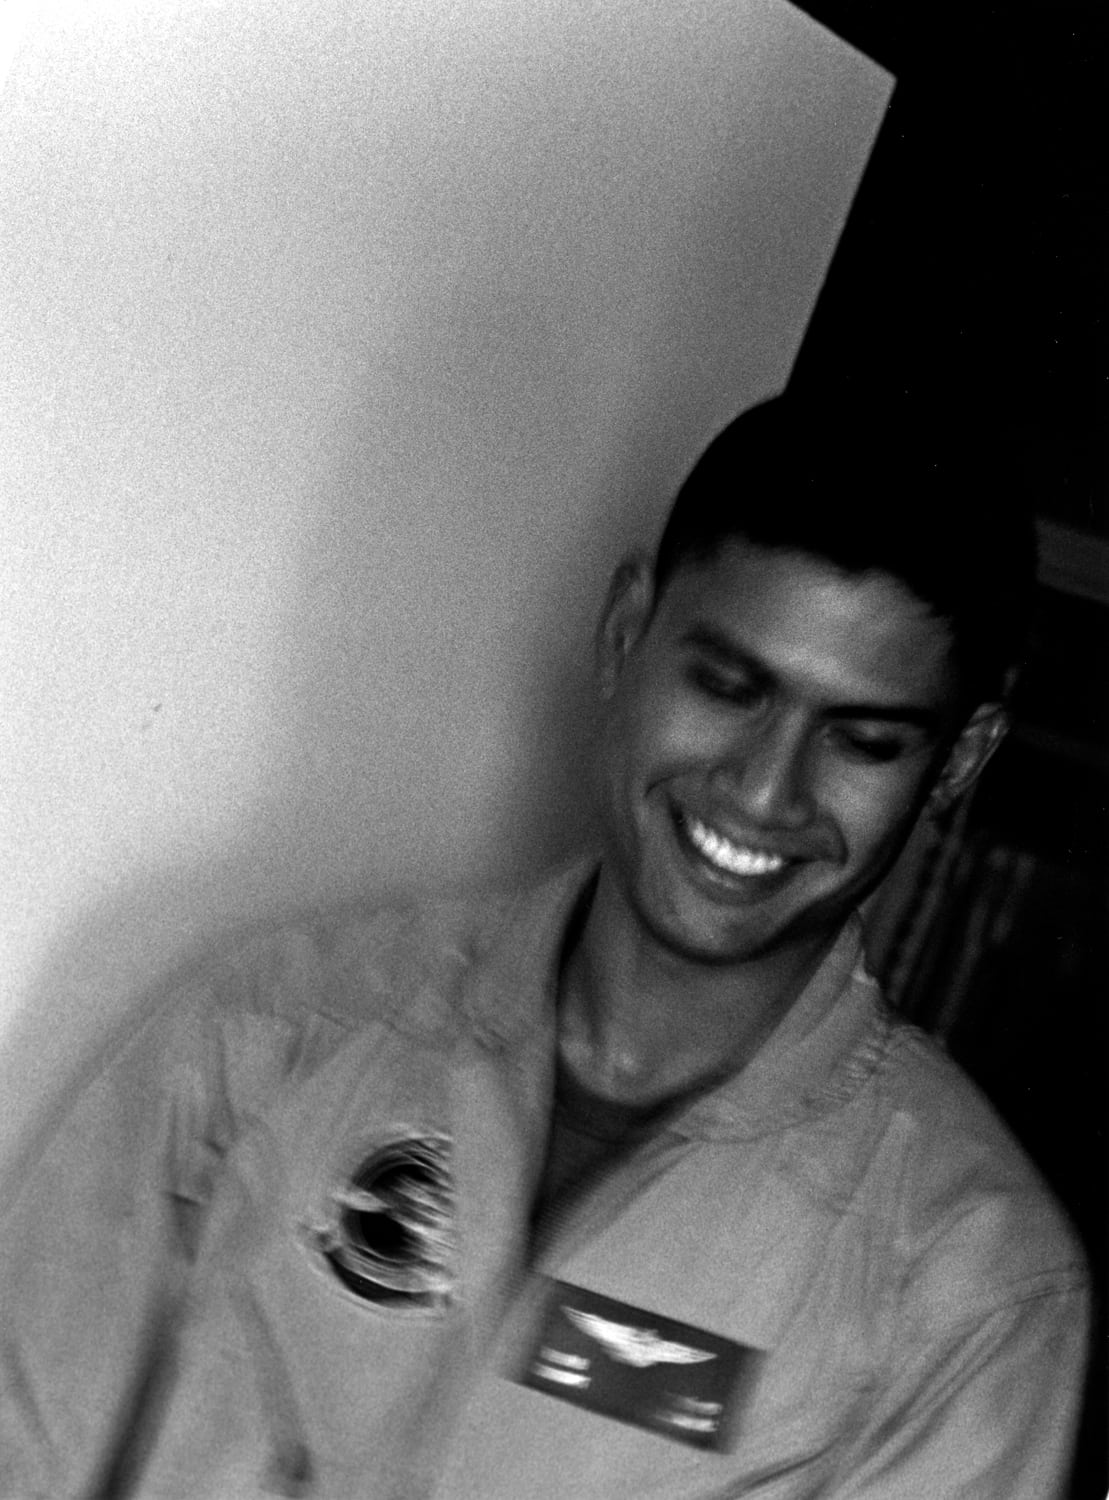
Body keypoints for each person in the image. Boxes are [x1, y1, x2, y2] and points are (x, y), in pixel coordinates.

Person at [0, 395, 1089, 1499]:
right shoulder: (268, 1034)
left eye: (861, 742)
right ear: (624, 634)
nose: (765, 792)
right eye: (725, 687)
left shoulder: (969, 1294)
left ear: (956, 764)